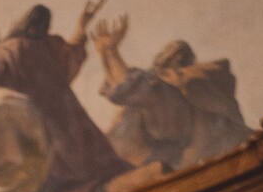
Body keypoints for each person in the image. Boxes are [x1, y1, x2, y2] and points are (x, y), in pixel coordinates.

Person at [0, 1, 127, 192]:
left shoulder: (9, 49)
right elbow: (71, 54)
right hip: (62, 110)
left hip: (40, 113)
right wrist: (81, 26)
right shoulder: (46, 45)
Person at [92, 16, 249, 172]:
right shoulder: (155, 81)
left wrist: (111, 52)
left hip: (203, 146)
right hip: (168, 153)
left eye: (177, 54)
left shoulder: (176, 82)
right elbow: (122, 90)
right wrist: (106, 54)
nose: (173, 57)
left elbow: (129, 87)